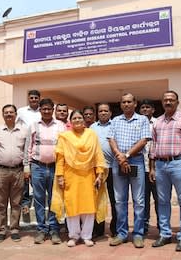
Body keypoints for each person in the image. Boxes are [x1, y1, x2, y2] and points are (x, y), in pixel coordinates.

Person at [149, 90, 181, 252]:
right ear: (162, 103)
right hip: (161, 166)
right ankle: (165, 233)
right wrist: (152, 168)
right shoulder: (157, 122)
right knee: (162, 201)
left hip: (180, 164)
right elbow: (153, 146)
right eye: (165, 100)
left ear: (177, 102)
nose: (168, 102)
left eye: (171, 100)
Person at [51, 110, 108, 247]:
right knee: (72, 206)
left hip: (88, 175)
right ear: (70, 121)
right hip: (70, 175)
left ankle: (87, 236)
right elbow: (60, 159)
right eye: (74, 118)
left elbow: (97, 156)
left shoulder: (91, 134)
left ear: (84, 120)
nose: (77, 120)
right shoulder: (64, 137)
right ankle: (74, 236)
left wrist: (100, 174)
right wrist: (60, 176)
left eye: (80, 118)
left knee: (89, 206)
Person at [108, 93, 151, 248]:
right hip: (117, 162)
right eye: (123, 102)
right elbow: (111, 139)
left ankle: (138, 234)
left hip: (136, 161)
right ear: (121, 105)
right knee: (120, 200)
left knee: (139, 201)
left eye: (129, 102)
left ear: (135, 103)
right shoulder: (115, 121)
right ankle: (122, 233)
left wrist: (126, 155)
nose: (126, 104)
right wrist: (120, 157)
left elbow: (144, 140)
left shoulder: (142, 119)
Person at [24, 98, 66, 244]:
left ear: (53, 109)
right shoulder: (33, 125)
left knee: (55, 199)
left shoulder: (61, 126)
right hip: (37, 166)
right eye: (44, 109)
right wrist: (26, 167)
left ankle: (54, 230)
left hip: (55, 167)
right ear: (40, 110)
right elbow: (28, 147)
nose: (47, 111)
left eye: (49, 109)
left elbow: (65, 148)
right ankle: (41, 230)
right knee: (39, 200)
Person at [0, 104, 28, 243]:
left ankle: (15, 229)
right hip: (1, 170)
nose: (9, 114)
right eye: (6, 112)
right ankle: (2, 230)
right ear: (3, 114)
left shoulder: (24, 130)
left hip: (18, 170)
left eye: (11, 112)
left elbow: (26, 151)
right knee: (1, 202)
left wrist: (26, 169)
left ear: (16, 114)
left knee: (16, 202)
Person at [90, 103, 117, 237]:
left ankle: (115, 228)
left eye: (106, 111)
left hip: (113, 168)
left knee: (115, 199)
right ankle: (98, 229)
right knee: (97, 199)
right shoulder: (92, 127)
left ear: (110, 113)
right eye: (100, 111)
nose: (103, 113)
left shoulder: (116, 125)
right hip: (97, 170)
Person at [17, 89, 41, 219]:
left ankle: (37, 204)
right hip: (24, 144)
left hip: (37, 146)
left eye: (36, 98)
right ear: (28, 98)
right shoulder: (21, 111)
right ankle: (25, 204)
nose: (33, 100)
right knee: (25, 177)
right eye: (31, 98)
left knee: (36, 180)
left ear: (39, 99)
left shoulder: (43, 111)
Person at [139, 99, 159, 235]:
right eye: (143, 107)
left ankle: (161, 226)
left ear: (153, 110)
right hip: (141, 167)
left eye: (148, 107)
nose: (145, 110)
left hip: (157, 167)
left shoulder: (159, 123)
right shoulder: (137, 123)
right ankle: (144, 225)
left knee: (159, 198)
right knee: (143, 199)